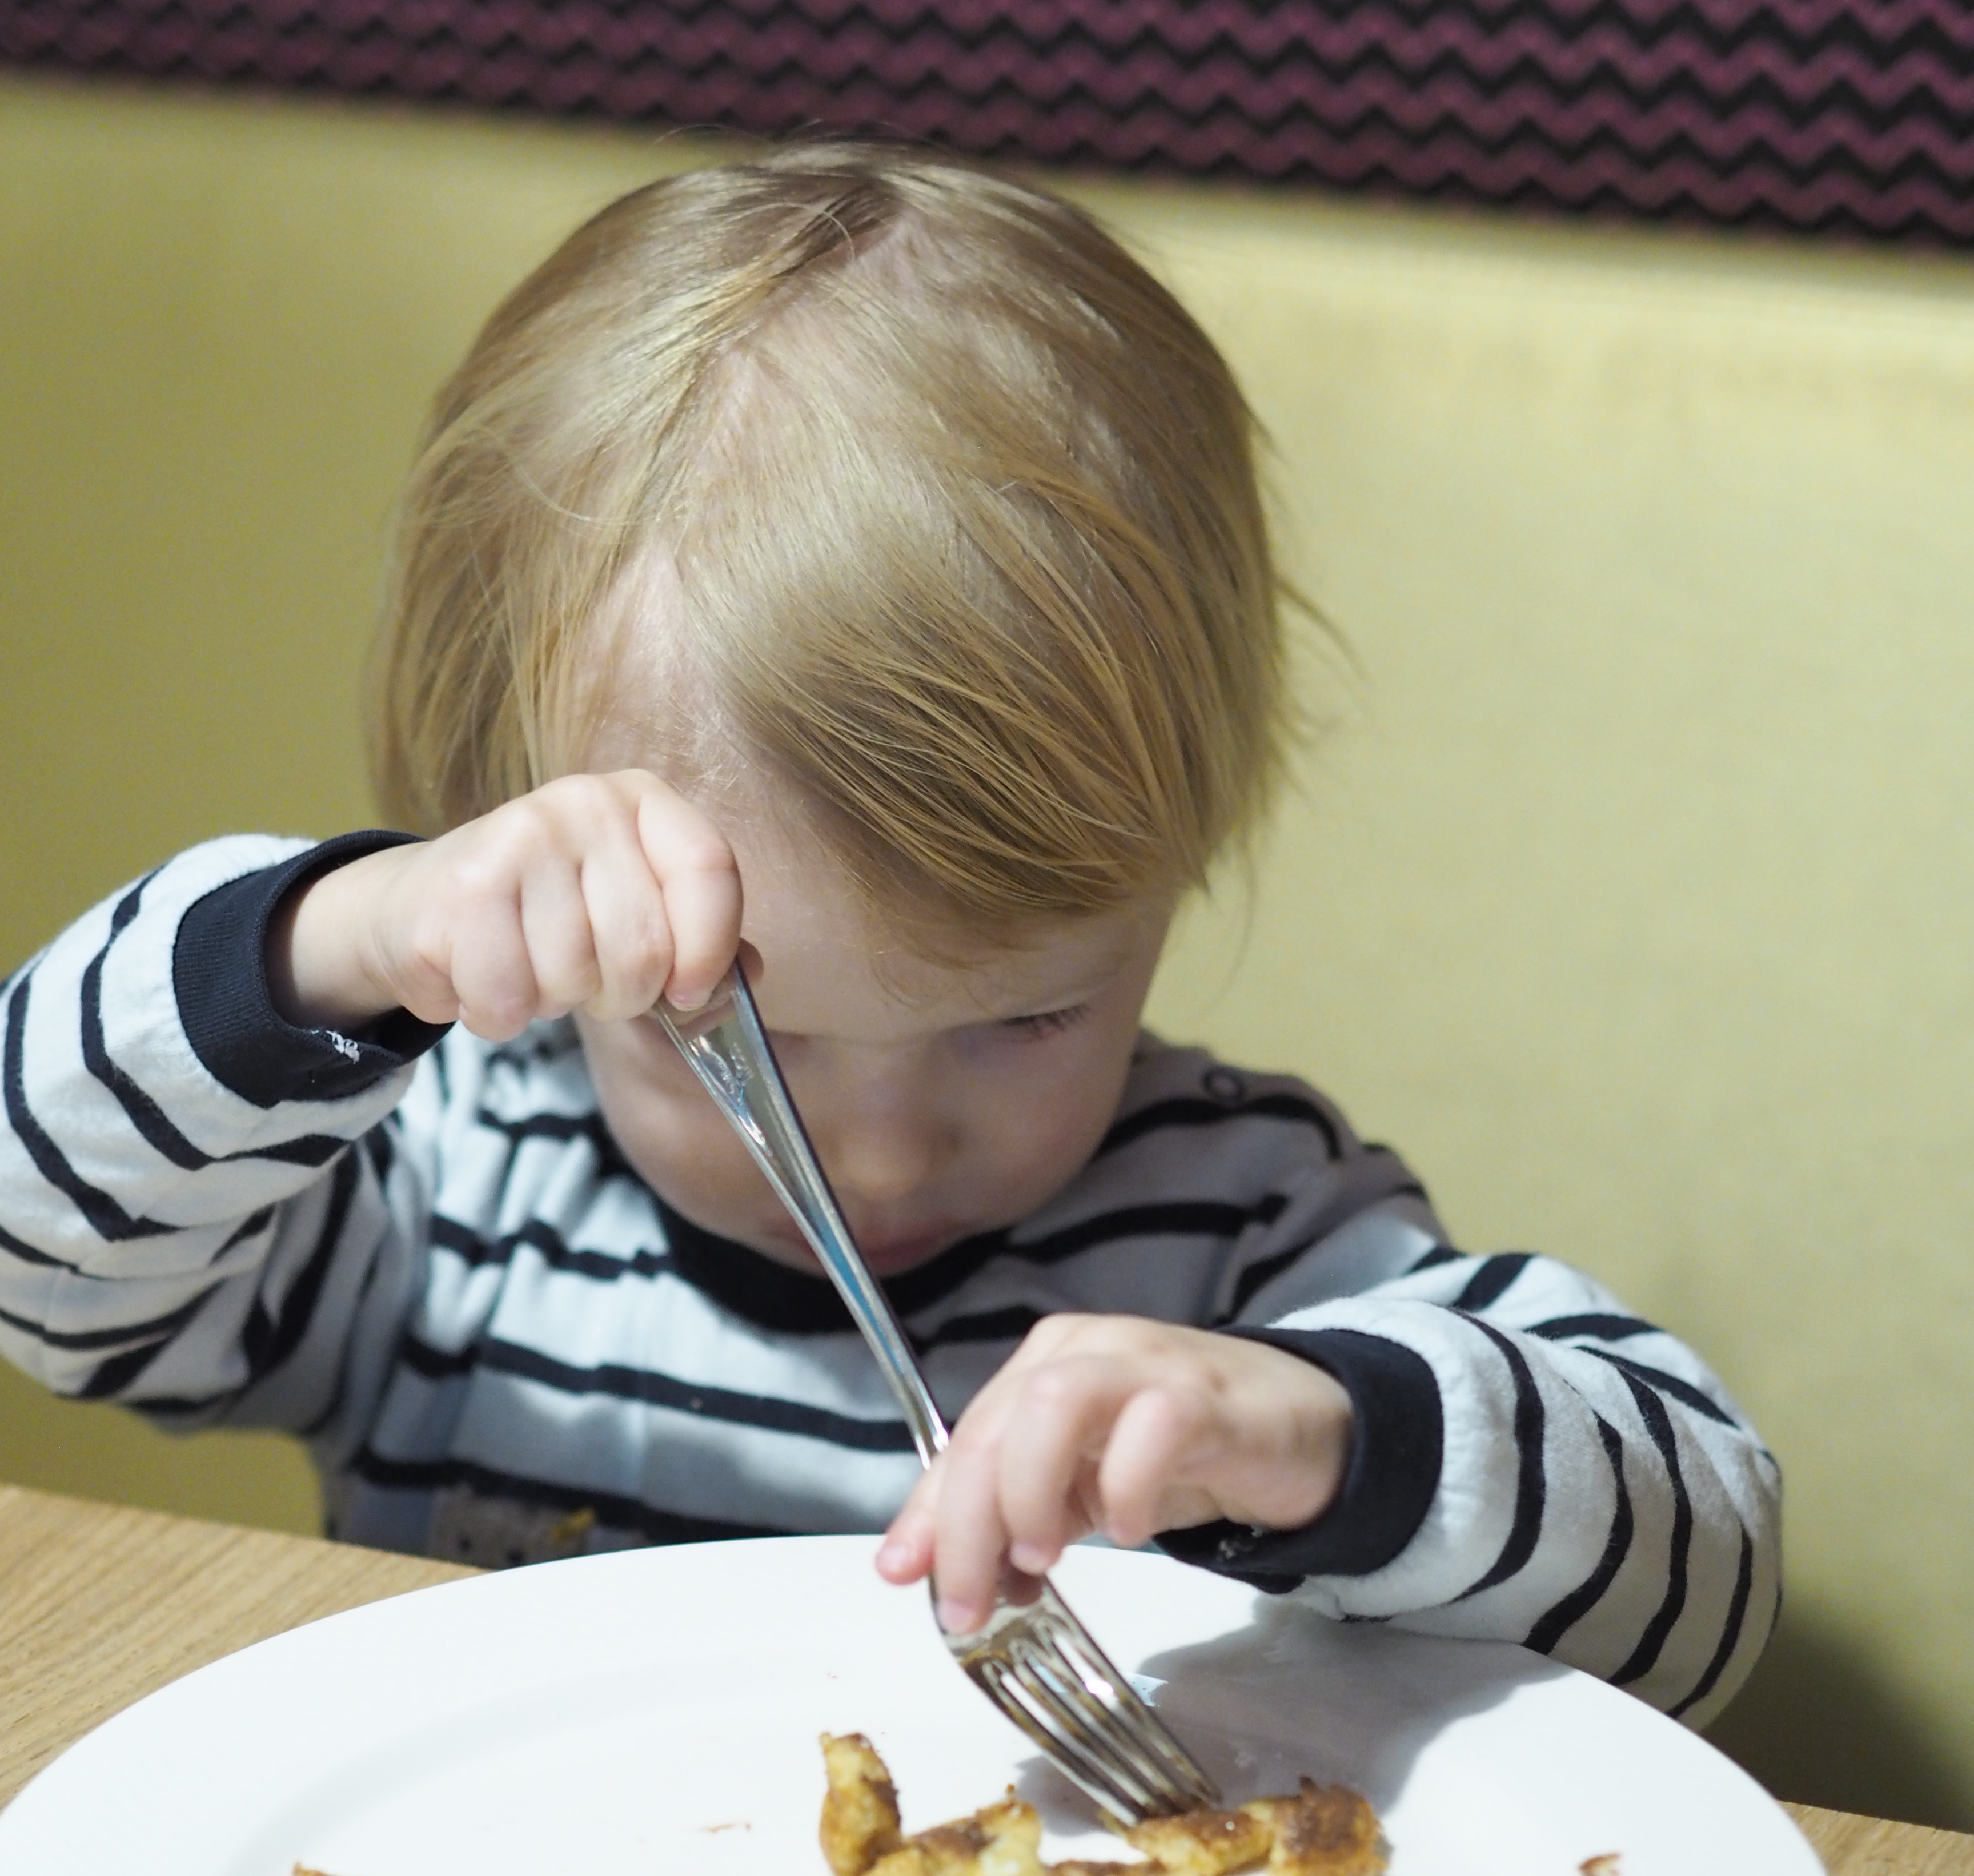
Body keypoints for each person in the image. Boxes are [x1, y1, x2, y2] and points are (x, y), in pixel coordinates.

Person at [0, 144, 1776, 1717]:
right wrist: (327, 941)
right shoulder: (454, 1202)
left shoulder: (1237, 1246)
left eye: (1024, 1018)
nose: (882, 1143)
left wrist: (1325, 1440)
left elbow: (1699, 1586)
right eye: (737, 1042)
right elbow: (37, 1266)